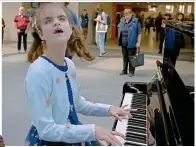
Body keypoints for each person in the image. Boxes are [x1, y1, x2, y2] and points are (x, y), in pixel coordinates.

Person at [25, 3, 136, 146]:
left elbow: (76, 103)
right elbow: (46, 130)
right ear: (41, 34)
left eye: (61, 18)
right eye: (48, 21)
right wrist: (93, 131)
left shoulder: (68, 64)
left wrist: (109, 109)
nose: (56, 22)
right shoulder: (38, 72)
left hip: (70, 131)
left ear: (70, 29)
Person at [118, 8, 142, 77]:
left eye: (128, 14)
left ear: (131, 14)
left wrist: (138, 42)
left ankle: (131, 71)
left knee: (131, 57)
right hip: (123, 43)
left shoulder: (136, 21)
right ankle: (124, 70)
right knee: (125, 57)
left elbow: (139, 33)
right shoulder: (122, 21)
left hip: (132, 42)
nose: (127, 16)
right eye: (125, 15)